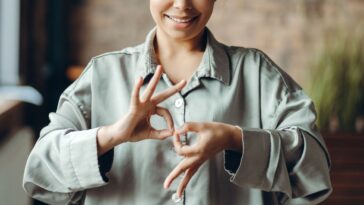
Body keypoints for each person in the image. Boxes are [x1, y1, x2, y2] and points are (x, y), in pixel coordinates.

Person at [23, 0, 332, 204]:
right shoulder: (103, 73)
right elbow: (40, 174)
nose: (182, 4)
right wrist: (111, 136)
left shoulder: (256, 72)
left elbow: (315, 169)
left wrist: (235, 139)